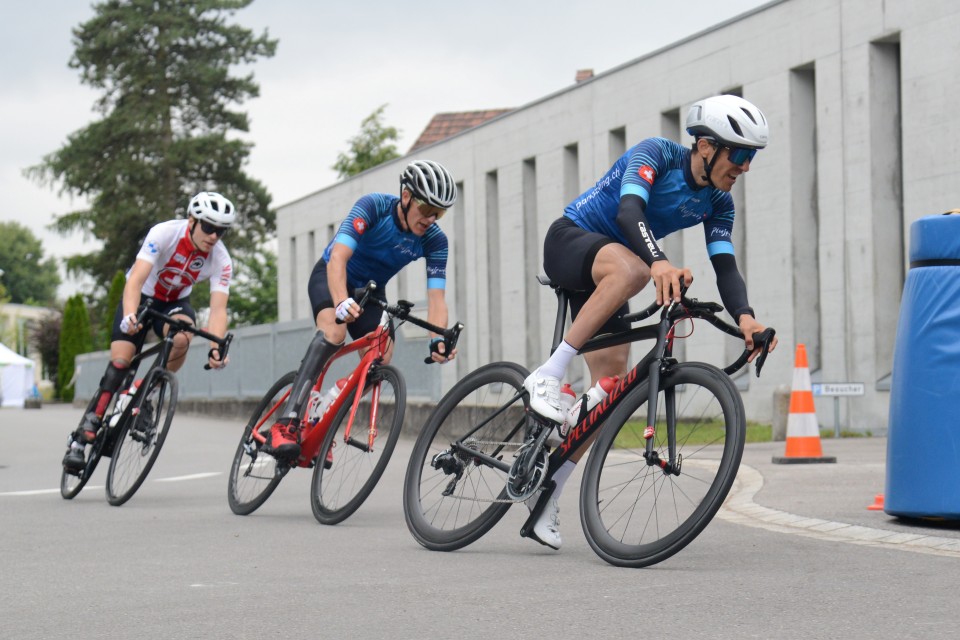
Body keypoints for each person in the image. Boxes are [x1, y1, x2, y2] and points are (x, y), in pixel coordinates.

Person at [523, 94, 779, 549]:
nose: (744, 166)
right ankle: (549, 374)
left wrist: (747, 320)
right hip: (572, 241)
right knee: (635, 271)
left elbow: (725, 267)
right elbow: (629, 212)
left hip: (609, 273)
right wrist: (659, 261)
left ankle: (546, 493)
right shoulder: (656, 153)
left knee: (610, 389)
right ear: (705, 146)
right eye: (739, 154)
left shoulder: (718, 203)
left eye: (751, 157)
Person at [267, 159, 459, 458]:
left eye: (440, 212)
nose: (432, 218)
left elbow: (437, 299)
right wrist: (341, 299)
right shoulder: (374, 206)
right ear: (406, 196)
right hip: (333, 275)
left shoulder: (435, 241)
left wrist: (438, 339)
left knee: (380, 356)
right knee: (334, 331)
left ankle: (327, 409)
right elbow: (338, 258)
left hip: (370, 291)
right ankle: (287, 421)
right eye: (426, 209)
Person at [62, 191, 234, 472]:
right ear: (192, 220)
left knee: (183, 335)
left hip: (174, 304)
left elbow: (217, 310)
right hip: (141, 297)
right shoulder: (164, 233)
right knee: (120, 364)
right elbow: (135, 280)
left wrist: (217, 348)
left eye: (222, 231)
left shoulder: (221, 260)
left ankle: (147, 393)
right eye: (209, 227)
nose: (214, 236)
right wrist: (130, 314)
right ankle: (82, 437)